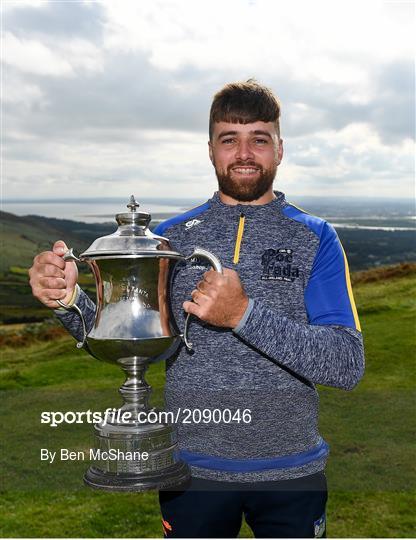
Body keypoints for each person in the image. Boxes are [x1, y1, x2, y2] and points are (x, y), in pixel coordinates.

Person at [29, 80, 365, 538]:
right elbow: (139, 342)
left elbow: (346, 363)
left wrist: (242, 314)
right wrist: (68, 301)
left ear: (280, 150)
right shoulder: (168, 241)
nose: (244, 153)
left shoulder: (316, 237)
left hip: (292, 471)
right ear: (210, 149)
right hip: (190, 472)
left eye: (259, 140)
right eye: (230, 139)